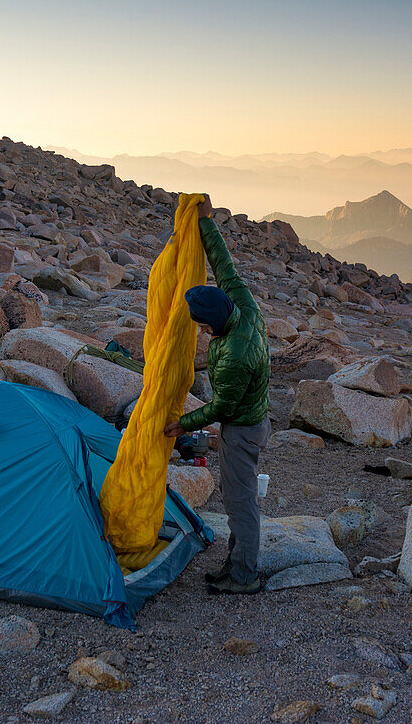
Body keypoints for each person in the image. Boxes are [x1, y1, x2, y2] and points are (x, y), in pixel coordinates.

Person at [164, 194, 271, 595]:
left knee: (240, 503)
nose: (203, 333)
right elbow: (224, 265)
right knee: (236, 496)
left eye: (202, 328)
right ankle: (237, 560)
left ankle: (244, 576)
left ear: (210, 325)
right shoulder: (241, 303)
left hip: (242, 429)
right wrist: (206, 222)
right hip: (252, 417)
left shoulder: (231, 359)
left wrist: (183, 424)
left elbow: (222, 406)